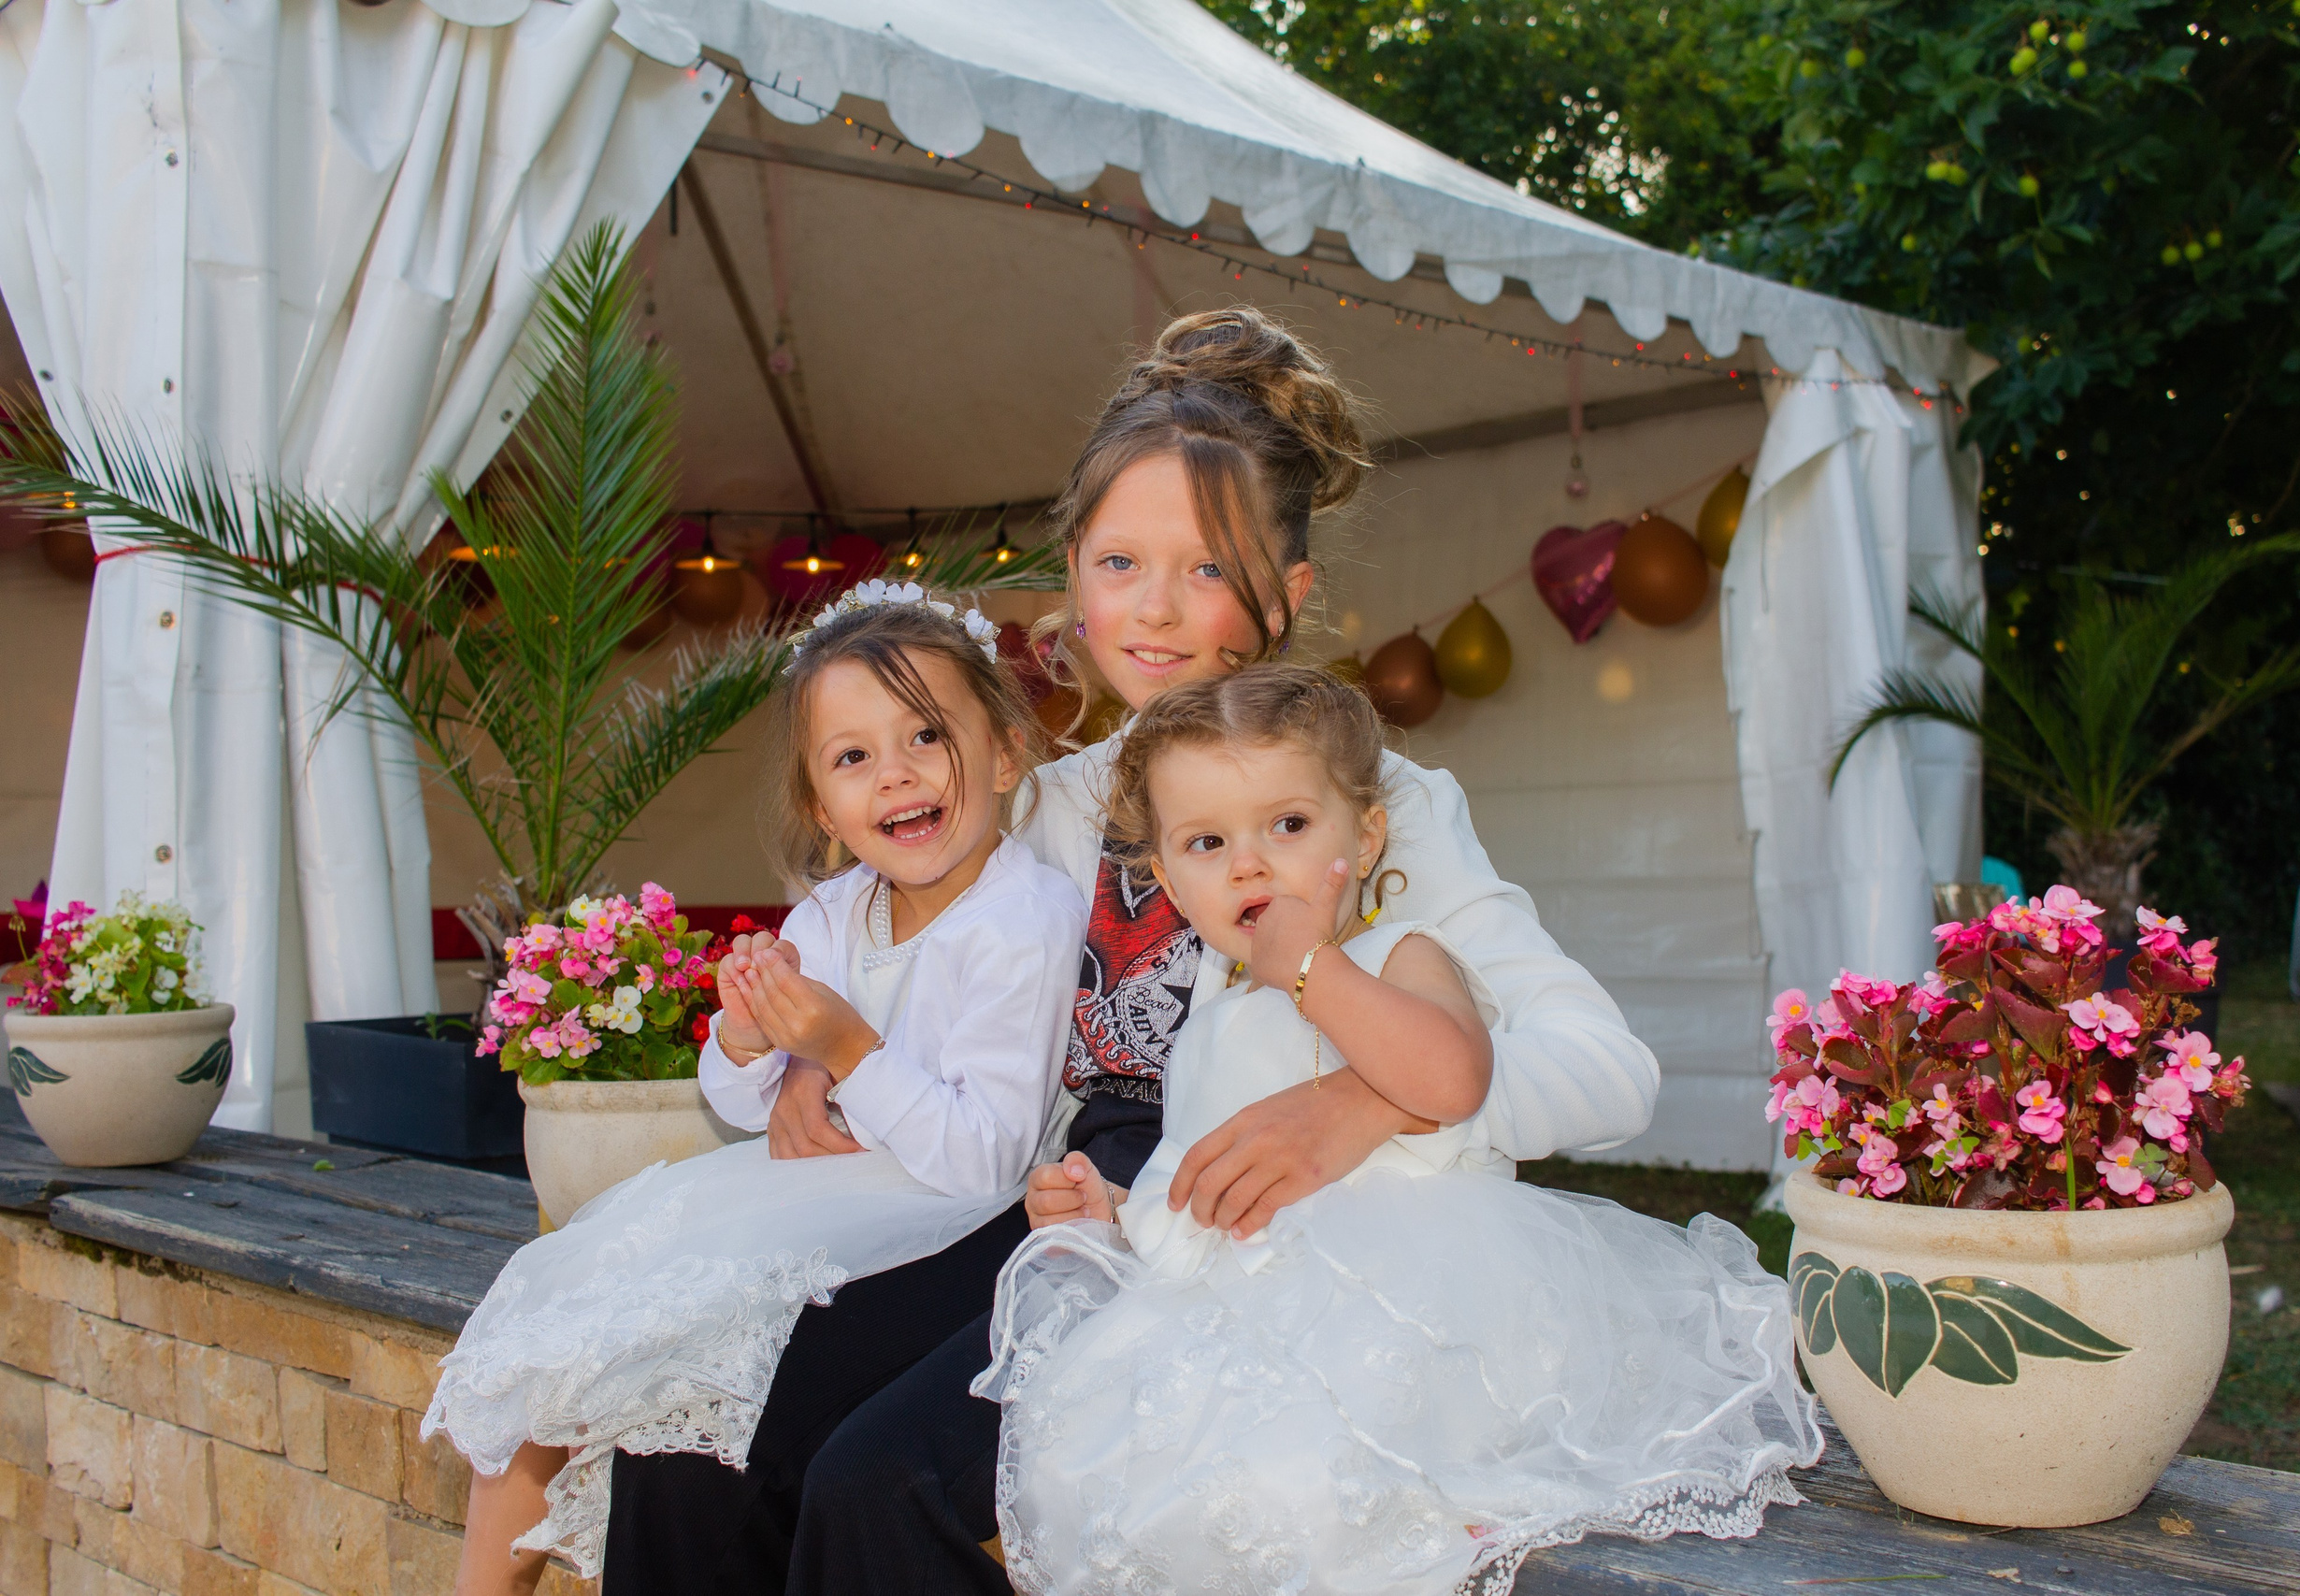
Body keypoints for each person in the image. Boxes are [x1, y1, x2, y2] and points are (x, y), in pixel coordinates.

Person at [605, 308, 1667, 1596]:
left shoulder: (1384, 806)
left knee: (878, 1479)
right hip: (1047, 1207)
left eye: (1209, 570)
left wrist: (1362, 1098)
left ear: (1289, 595)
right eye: (1120, 561)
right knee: (686, 1433)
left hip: (1233, 1245)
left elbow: (1608, 1068)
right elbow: (916, 986)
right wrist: (808, 1061)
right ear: (1073, 572)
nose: (1155, 611)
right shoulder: (1038, 807)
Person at [978, 666, 1819, 1596]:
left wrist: (1313, 973)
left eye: (1288, 826)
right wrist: (1114, 1213)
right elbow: (1203, 1182)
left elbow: (1453, 1078)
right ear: (1169, 879)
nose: (1249, 863)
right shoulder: (1209, 1021)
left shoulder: (1398, 955)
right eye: (1208, 843)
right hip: (1249, 1328)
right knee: (1112, 1477)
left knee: (1305, 1488)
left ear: (1365, 835)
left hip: (1408, 1312)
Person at [422, 589, 1085, 1592]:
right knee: (571, 1340)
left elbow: (988, 1156)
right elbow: (735, 1100)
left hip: (951, 1219)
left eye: (925, 737)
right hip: (820, 1205)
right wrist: (745, 1035)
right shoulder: (832, 912)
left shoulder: (1022, 917)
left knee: (669, 1382)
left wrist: (847, 1049)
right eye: (852, 757)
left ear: (1001, 753)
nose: (894, 772)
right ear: (823, 806)